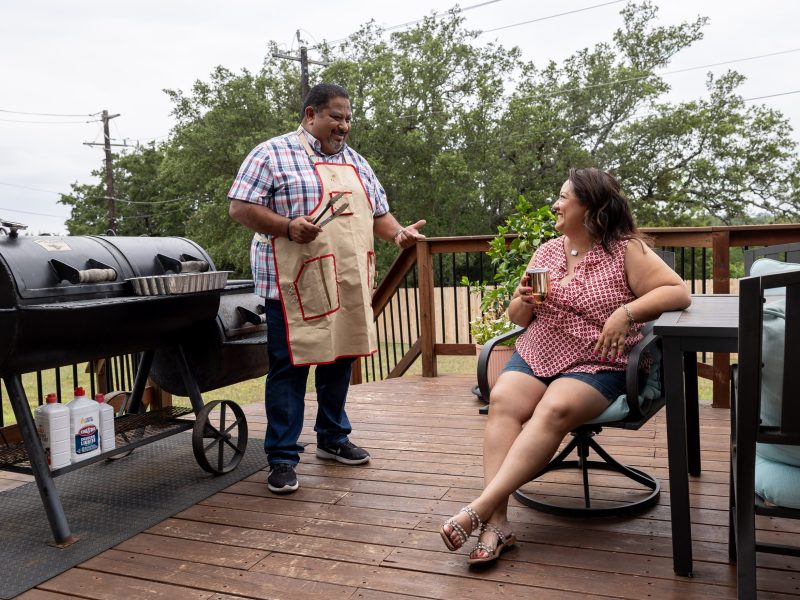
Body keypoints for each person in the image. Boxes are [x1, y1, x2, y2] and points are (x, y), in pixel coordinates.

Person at [440, 167, 691, 564]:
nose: (555, 205)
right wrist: (524, 300)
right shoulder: (548, 251)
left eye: (563, 199)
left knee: (553, 408)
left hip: (597, 359)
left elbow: (678, 291)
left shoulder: (626, 250)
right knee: (504, 399)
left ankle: (477, 509)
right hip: (541, 349)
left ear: (591, 208)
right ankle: (497, 522)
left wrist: (626, 312)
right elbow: (519, 319)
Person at [228, 83, 425, 494]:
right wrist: (286, 226)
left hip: (347, 281)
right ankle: (281, 457)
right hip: (292, 284)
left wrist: (399, 235)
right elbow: (241, 207)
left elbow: (380, 216)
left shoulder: (357, 163)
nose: (344, 126)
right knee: (290, 367)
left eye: (348, 118)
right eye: (336, 116)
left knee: (339, 360)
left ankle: (332, 439)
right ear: (310, 115)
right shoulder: (271, 154)